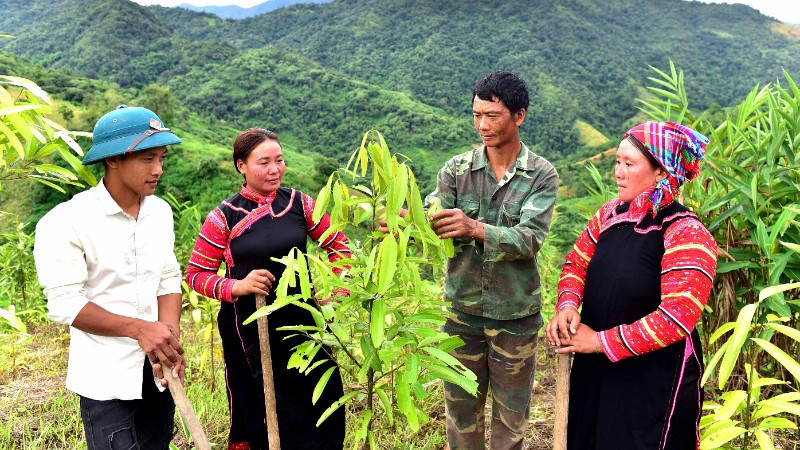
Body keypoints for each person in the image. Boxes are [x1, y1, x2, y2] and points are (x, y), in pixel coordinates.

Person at [546, 121, 718, 449]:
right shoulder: (609, 215)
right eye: (617, 162)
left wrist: (599, 341)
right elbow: (575, 264)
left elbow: (676, 319)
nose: (618, 173)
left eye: (629, 164)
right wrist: (567, 304)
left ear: (661, 173)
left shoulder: (686, 234)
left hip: (653, 381)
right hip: (594, 370)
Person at [185, 128, 349, 449]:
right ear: (241, 166)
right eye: (263, 162)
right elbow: (196, 275)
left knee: (319, 399)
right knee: (263, 406)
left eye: (280, 160)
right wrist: (238, 285)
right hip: (248, 327)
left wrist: (336, 297)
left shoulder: (300, 203)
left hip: (303, 320)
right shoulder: (224, 217)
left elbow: (339, 246)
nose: (274, 169)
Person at [33, 105, 186, 449]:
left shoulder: (159, 213)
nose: (158, 169)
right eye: (147, 159)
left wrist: (168, 338)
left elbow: (168, 278)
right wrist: (140, 329)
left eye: (161, 158)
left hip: (157, 371)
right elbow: (64, 303)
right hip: (105, 376)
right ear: (112, 159)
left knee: (158, 443)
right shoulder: (65, 222)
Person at [425, 71, 559, 449]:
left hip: (514, 317)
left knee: (511, 421)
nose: (482, 125)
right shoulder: (456, 170)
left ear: (519, 116)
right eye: (476, 115)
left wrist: (475, 229)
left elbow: (529, 239)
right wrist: (407, 222)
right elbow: (433, 215)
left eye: (493, 116)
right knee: (460, 417)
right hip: (461, 315)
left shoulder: (541, 175)